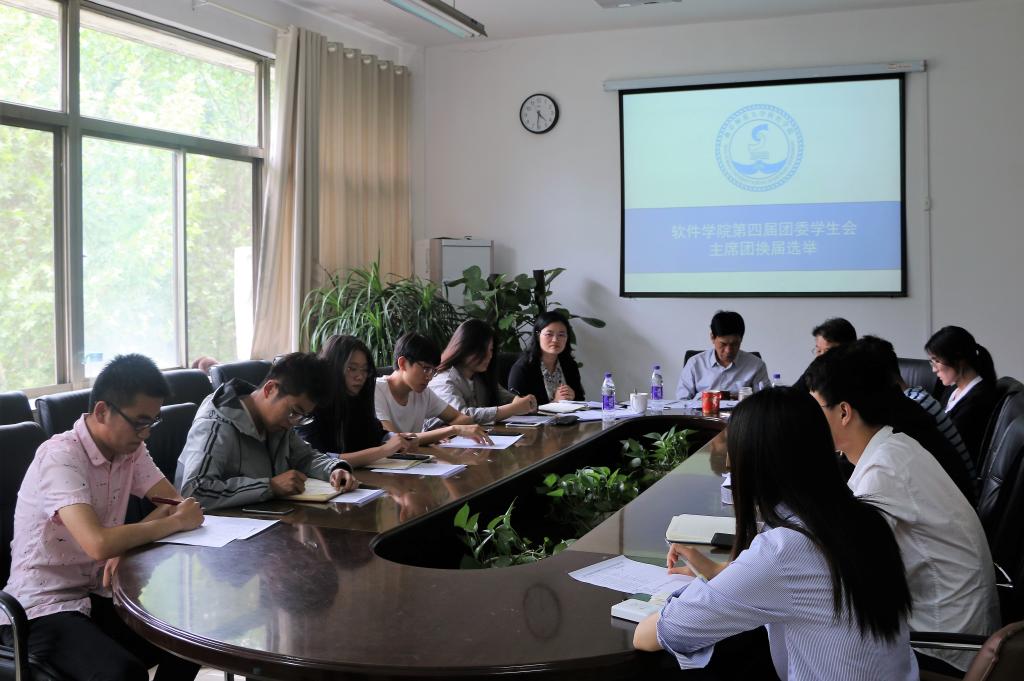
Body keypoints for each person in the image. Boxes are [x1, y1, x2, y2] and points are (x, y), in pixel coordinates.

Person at [633, 388, 918, 680]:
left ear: (756, 464)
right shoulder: (865, 517)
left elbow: (658, 633)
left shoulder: (784, 549)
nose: (729, 463)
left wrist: (708, 589)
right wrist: (722, 574)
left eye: (734, 453)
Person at [1, 354, 204, 681]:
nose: (146, 434)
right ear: (101, 411)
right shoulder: (60, 457)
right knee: (124, 673)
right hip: (40, 608)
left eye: (153, 422)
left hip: (98, 592)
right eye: (139, 422)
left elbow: (172, 502)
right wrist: (172, 523)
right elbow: (98, 544)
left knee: (191, 638)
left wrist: (125, 544)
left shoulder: (130, 450)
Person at [806, 348, 1000, 673]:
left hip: (942, 645)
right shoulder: (892, 446)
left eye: (814, 409)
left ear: (844, 412)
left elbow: (844, 567)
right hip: (947, 624)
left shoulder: (885, 469)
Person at [177, 352, 358, 510]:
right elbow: (194, 490)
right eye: (294, 411)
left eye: (302, 416)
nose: (292, 423)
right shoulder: (215, 425)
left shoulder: (278, 422)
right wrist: (269, 486)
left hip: (266, 518)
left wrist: (335, 469)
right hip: (220, 530)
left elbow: (305, 457)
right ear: (270, 389)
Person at [298, 335, 412, 468]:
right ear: (334, 367)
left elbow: (374, 433)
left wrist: (396, 439)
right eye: (351, 369)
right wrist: (383, 450)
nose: (360, 377)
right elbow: (318, 458)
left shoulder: (356, 397)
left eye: (365, 370)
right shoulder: (311, 403)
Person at [374, 332, 492, 445]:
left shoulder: (423, 393)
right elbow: (395, 440)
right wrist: (451, 430)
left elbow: (461, 418)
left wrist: (438, 433)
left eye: (433, 371)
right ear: (403, 363)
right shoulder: (375, 390)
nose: (429, 377)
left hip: (415, 457)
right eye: (425, 369)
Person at [425, 319, 536, 430]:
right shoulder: (444, 380)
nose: (489, 356)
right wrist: (513, 408)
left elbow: (507, 398)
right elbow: (460, 417)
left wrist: (522, 401)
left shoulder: (479, 375)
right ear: (463, 348)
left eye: (491, 350)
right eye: (482, 350)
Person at [926, 325, 999, 466]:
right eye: (931, 361)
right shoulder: (952, 389)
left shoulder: (978, 400)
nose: (934, 369)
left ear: (959, 359)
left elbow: (950, 446)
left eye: (936, 361)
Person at [675, 310, 769, 400]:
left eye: (734, 344)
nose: (728, 350)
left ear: (741, 339)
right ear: (712, 337)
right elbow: (682, 401)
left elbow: (764, 402)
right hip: (702, 411)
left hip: (741, 411)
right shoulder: (694, 364)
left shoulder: (756, 365)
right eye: (723, 344)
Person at [508, 311, 585, 406]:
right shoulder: (522, 368)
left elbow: (581, 401)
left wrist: (573, 397)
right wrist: (555, 402)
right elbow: (517, 408)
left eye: (561, 335)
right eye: (549, 334)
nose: (555, 340)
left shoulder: (569, 365)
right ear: (538, 335)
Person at [794, 317, 857, 389]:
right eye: (818, 350)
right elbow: (794, 392)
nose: (820, 357)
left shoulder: (859, 376)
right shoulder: (816, 368)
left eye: (827, 351)